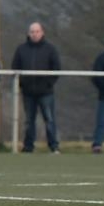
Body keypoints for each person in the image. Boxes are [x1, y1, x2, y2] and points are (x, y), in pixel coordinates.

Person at [11, 22, 61, 153]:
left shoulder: (50, 49)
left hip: (46, 92)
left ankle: (53, 146)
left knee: (49, 120)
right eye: (32, 31)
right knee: (29, 121)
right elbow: (15, 68)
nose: (35, 34)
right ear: (28, 33)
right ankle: (28, 147)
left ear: (42, 32)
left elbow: (56, 68)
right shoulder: (21, 49)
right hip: (28, 92)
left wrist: (49, 83)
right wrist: (22, 83)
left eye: (37, 31)